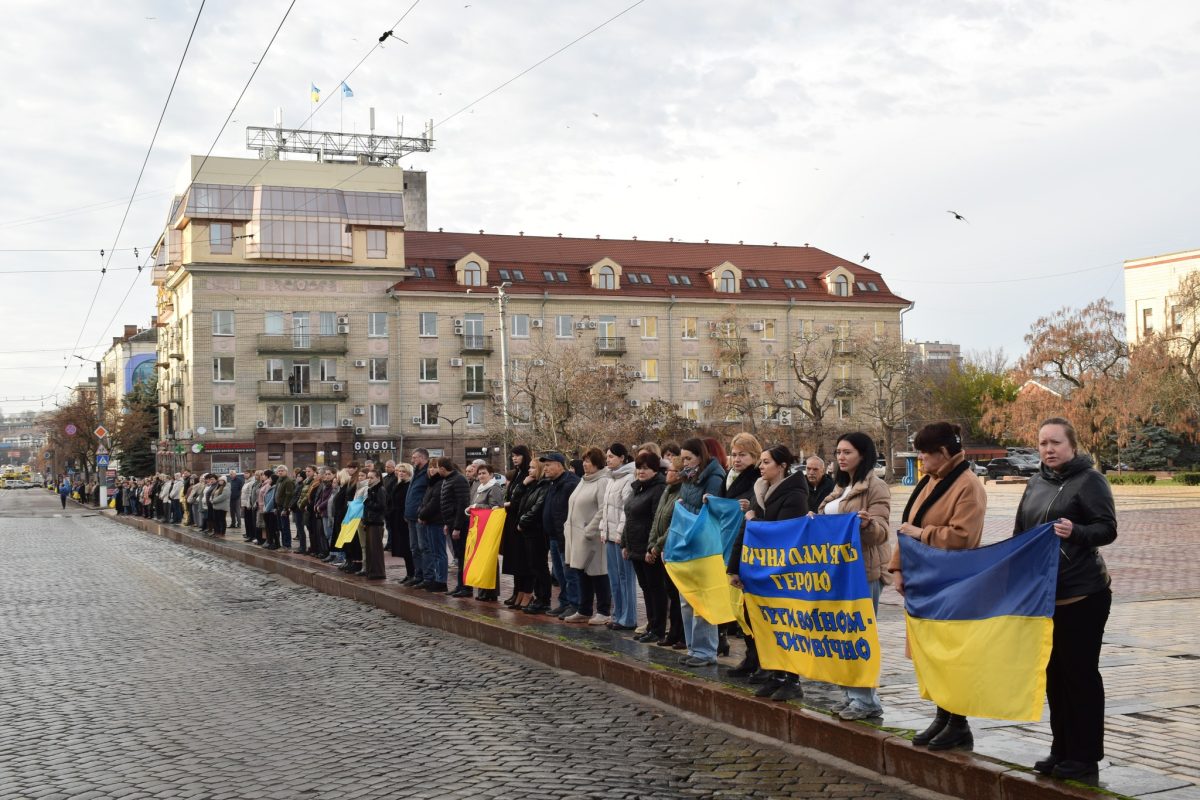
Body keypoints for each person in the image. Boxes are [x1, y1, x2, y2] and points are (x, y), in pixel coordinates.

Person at [1014, 418, 1116, 783]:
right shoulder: (1036, 481)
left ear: (1072, 445)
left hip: (1083, 594)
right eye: (1042, 443)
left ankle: (1085, 757)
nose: (1048, 450)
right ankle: (1062, 749)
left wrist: (1076, 532)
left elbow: (1107, 529)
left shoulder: (1090, 481)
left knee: (1079, 676)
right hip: (1045, 596)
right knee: (1054, 676)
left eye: (1055, 442)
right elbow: (1020, 533)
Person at [888, 422, 987, 751]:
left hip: (950, 582)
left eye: (924, 453)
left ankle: (957, 722)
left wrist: (923, 536)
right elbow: (908, 524)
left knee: (949, 655)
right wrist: (898, 567)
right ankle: (942, 716)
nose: (920, 458)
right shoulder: (931, 479)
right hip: (924, 581)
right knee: (930, 654)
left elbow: (962, 537)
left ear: (944, 453)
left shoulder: (968, 486)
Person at [819, 432, 892, 720]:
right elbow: (825, 517)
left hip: (864, 572)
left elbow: (882, 531)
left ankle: (866, 700)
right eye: (838, 451)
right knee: (840, 635)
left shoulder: (876, 487)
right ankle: (850, 694)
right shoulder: (840, 486)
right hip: (837, 571)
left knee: (859, 635)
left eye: (847, 452)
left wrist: (866, 525)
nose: (841, 457)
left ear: (863, 455)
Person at [732, 444, 809, 699]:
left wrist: (755, 520)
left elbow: (786, 533)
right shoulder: (759, 489)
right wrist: (734, 567)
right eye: (761, 462)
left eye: (766, 462)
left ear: (782, 466)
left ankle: (792, 679)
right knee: (764, 624)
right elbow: (744, 532)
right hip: (758, 569)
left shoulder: (795, 494)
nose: (761, 466)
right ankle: (774, 673)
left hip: (783, 570)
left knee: (785, 624)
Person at [676, 437, 728, 667]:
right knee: (687, 600)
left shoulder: (714, 478)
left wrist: (682, 507)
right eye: (682, 458)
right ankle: (693, 647)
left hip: (705, 546)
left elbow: (709, 511)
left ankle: (706, 650)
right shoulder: (688, 477)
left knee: (702, 599)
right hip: (687, 544)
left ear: (701, 456)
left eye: (688, 458)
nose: (684, 463)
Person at [721, 432, 763, 677]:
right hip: (732, 544)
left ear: (755, 457)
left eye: (743, 455)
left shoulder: (756, 477)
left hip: (750, 546)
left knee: (750, 607)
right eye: (734, 454)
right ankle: (751, 655)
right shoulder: (729, 477)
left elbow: (758, 502)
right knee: (740, 607)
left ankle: (758, 658)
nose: (737, 459)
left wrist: (749, 504)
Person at [563, 448, 611, 624]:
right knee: (581, 571)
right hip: (577, 535)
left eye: (589, 461)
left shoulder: (602, 481)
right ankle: (584, 609)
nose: (585, 464)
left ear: (597, 463)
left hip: (593, 536)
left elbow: (602, 509)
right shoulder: (584, 481)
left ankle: (604, 611)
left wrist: (590, 529)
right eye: (584, 461)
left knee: (598, 572)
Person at [624, 451, 667, 641]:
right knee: (646, 588)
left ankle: (658, 628)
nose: (641, 472)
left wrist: (652, 547)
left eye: (646, 468)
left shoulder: (658, 489)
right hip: (635, 545)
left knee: (655, 588)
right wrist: (625, 544)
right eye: (639, 468)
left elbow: (657, 521)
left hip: (648, 547)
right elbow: (629, 517)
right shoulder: (637, 488)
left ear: (655, 469)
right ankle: (651, 624)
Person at [647, 455, 686, 647]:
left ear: (679, 474)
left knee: (677, 594)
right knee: (670, 591)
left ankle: (681, 634)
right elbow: (657, 520)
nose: (667, 473)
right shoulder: (666, 490)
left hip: (672, 548)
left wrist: (658, 545)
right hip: (663, 550)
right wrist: (652, 544)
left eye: (670, 470)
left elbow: (674, 524)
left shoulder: (682, 493)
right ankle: (674, 632)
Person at [600, 444, 638, 630]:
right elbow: (606, 509)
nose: (608, 460)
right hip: (609, 535)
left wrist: (620, 534)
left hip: (619, 536)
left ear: (622, 458)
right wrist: (603, 530)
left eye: (612, 456)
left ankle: (628, 617)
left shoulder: (629, 477)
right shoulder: (610, 479)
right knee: (614, 577)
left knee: (625, 577)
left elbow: (626, 509)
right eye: (607, 456)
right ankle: (617, 615)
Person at [540, 452, 580, 617]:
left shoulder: (570, 483)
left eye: (549, 465)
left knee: (570, 573)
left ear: (559, 465)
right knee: (559, 573)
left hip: (566, 536)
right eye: (545, 465)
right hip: (554, 536)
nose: (546, 468)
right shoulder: (552, 483)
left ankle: (575, 604)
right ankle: (564, 602)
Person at [516, 458, 552, 614]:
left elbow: (537, 508)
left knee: (539, 566)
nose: (529, 471)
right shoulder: (532, 485)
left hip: (537, 531)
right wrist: (523, 484)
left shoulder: (545, 486)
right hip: (528, 530)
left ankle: (544, 599)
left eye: (532, 468)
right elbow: (517, 501)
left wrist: (523, 521)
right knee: (534, 565)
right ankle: (539, 597)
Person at [501, 445, 533, 607]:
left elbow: (520, 498)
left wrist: (510, 503)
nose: (514, 458)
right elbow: (512, 494)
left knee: (522, 560)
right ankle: (517, 591)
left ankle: (525, 592)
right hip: (512, 520)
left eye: (517, 455)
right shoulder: (517, 474)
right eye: (512, 456)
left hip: (520, 520)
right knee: (514, 559)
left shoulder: (528, 474)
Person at [468, 463, 505, 600]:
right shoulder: (479, 487)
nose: (481, 476)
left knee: (489, 560)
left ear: (491, 474)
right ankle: (483, 590)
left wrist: (476, 506)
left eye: (484, 473)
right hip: (478, 528)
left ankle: (491, 592)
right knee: (481, 559)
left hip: (488, 528)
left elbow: (496, 507)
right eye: (479, 474)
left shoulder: (494, 488)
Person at [439, 459, 472, 597]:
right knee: (458, 556)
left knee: (463, 555)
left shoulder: (458, 480)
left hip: (460, 525)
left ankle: (466, 587)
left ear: (442, 468)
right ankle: (460, 585)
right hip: (452, 523)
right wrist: (447, 524)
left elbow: (462, 505)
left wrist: (457, 527)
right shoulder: (448, 479)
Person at [416, 460, 448, 592]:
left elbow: (434, 503)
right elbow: (425, 501)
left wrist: (422, 515)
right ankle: (437, 578)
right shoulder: (432, 483)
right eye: (430, 468)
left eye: (435, 468)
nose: (432, 470)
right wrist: (421, 514)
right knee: (434, 552)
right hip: (429, 521)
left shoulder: (440, 483)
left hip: (437, 521)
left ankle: (441, 581)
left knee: (439, 553)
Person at [403, 449, 431, 587]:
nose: (412, 460)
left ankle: (427, 577)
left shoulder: (427, 472)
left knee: (423, 547)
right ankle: (418, 574)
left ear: (422, 458)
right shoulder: (416, 472)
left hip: (420, 516)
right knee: (414, 547)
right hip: (411, 515)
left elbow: (427, 495)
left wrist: (422, 512)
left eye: (414, 457)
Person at [360, 469, 387, 580]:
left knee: (376, 549)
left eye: (371, 477)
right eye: (368, 477)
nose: (369, 480)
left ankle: (378, 572)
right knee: (370, 549)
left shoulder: (380, 489)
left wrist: (367, 501)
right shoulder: (370, 489)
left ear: (378, 478)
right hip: (369, 521)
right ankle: (371, 570)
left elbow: (381, 506)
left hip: (376, 522)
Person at [387, 462, 413, 575]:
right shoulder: (398, 484)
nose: (401, 473)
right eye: (399, 471)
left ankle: (412, 573)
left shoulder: (408, 485)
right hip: (396, 518)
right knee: (402, 548)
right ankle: (409, 573)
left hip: (404, 519)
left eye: (403, 471)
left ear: (409, 473)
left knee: (408, 548)